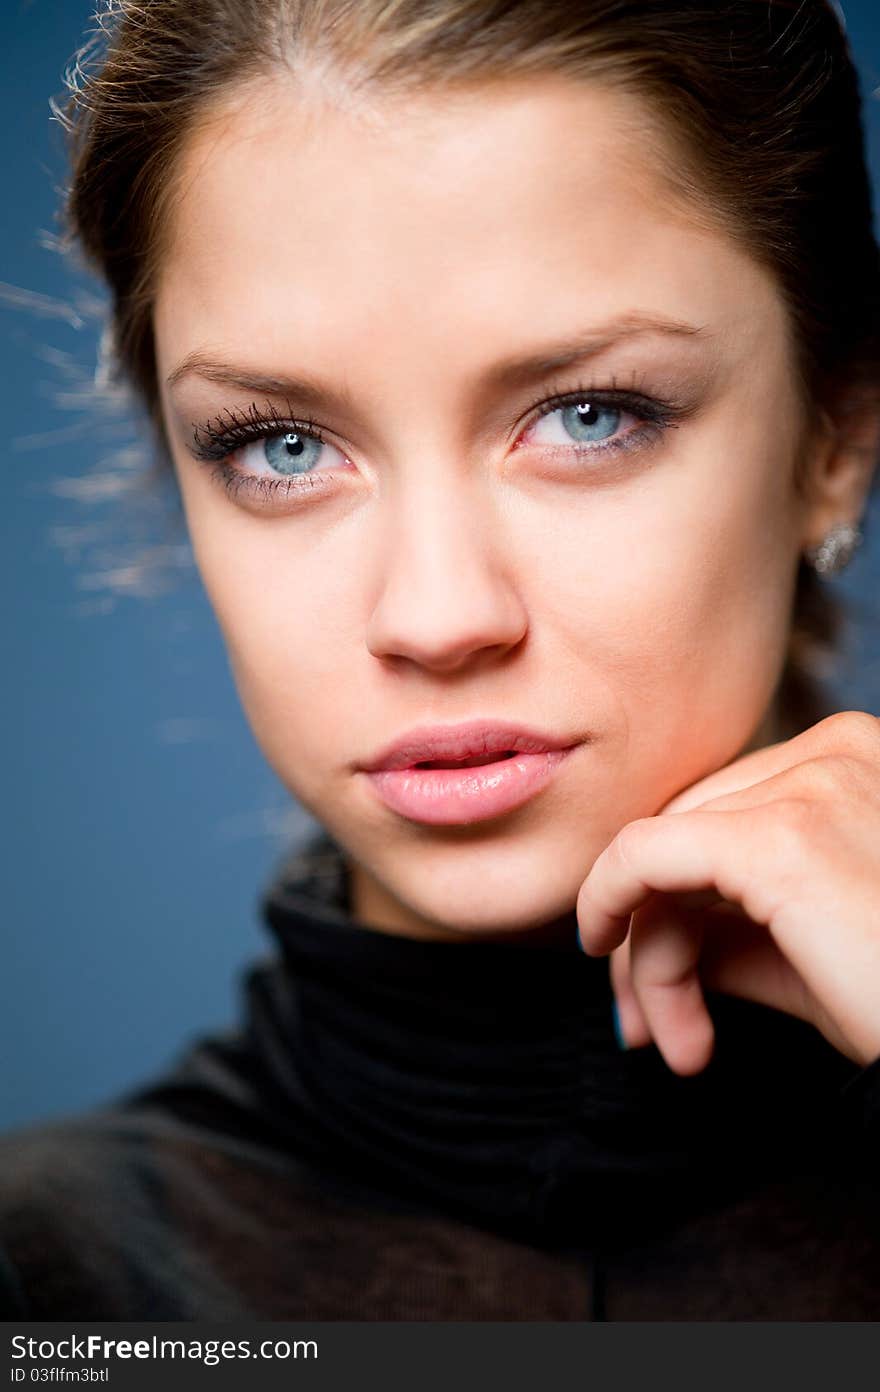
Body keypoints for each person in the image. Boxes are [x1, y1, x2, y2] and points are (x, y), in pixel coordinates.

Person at [2, 0, 880, 1321]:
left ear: (835, 438)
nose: (436, 614)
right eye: (282, 446)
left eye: (590, 416)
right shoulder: (50, 1278)